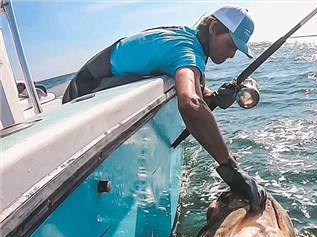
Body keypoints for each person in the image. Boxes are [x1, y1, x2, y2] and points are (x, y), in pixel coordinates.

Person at [63, 5, 267, 213]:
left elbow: (195, 89)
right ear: (214, 29)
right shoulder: (188, 51)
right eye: (231, 45)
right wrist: (231, 167)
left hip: (90, 81)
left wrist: (213, 97)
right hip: (86, 91)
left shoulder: (187, 38)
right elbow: (190, 103)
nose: (232, 55)